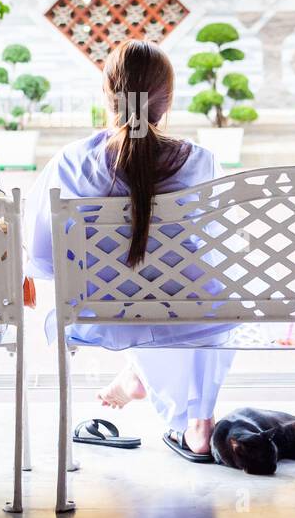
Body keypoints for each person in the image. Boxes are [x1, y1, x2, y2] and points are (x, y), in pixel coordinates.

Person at [25, 40, 234, 462]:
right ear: (169, 101)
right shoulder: (201, 161)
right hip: (187, 313)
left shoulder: (70, 163)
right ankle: (199, 425)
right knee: (206, 297)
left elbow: (43, 257)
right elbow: (216, 249)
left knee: (148, 297)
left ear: (108, 95)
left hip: (100, 312)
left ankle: (140, 374)